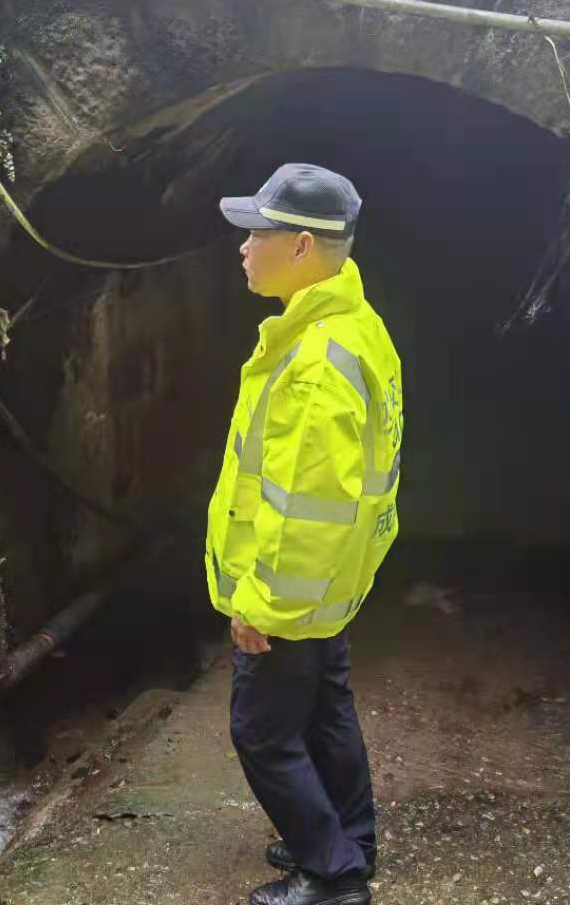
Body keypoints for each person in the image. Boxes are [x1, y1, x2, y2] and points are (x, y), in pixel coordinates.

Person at [206, 163, 403, 905]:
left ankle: (333, 874)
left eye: (256, 233)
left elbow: (302, 505)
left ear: (300, 246)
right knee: (326, 710)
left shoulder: (316, 361)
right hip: (337, 579)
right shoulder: (356, 327)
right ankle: (353, 838)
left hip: (292, 589)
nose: (243, 247)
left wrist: (260, 603)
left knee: (261, 733)